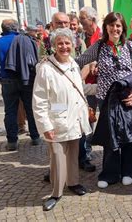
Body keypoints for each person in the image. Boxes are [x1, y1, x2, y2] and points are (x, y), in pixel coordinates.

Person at [76, 12, 132, 188]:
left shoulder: (129, 46)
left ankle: (129, 170)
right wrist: (56, 60)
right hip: (107, 98)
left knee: (129, 135)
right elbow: (79, 60)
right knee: (110, 136)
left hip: (128, 96)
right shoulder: (99, 46)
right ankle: (110, 173)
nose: (115, 28)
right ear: (106, 27)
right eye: (112, 25)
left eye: (118, 25)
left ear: (123, 28)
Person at [32, 28, 90, 211]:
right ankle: (56, 193)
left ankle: (73, 183)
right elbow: (39, 100)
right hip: (55, 121)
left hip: (74, 118)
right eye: (60, 44)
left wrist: (101, 87)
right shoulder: (45, 68)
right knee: (57, 157)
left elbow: (79, 88)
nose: (64, 47)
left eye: (67, 43)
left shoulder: (73, 63)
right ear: (53, 46)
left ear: (73, 45)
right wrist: (45, 125)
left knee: (73, 154)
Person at [0, 19, 41, 150]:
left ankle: (12, 141)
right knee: (30, 108)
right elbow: (35, 60)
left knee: (10, 111)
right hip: (27, 79)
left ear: (3, 28)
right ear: (17, 28)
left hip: (7, 80)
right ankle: (35, 137)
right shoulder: (27, 40)